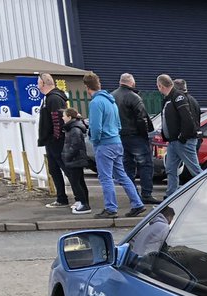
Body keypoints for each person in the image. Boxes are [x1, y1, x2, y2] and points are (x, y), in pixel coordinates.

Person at [85, 71, 144, 218]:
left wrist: (95, 140)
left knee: (105, 178)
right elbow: (118, 125)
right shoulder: (111, 101)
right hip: (116, 142)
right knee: (122, 175)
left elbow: (96, 127)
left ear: (87, 87)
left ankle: (111, 208)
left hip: (104, 144)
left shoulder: (96, 103)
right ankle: (137, 203)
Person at [113, 73, 159, 205]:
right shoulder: (134, 97)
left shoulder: (112, 96)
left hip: (120, 136)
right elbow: (142, 117)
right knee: (145, 164)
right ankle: (146, 194)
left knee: (127, 166)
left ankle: (133, 195)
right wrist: (145, 133)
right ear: (132, 83)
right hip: (135, 136)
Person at [157, 73, 202, 199]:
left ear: (160, 86)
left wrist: (182, 137)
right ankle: (171, 195)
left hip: (182, 141)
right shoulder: (170, 99)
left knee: (195, 170)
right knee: (171, 169)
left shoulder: (178, 98)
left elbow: (188, 120)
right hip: (174, 141)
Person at [35, 73, 70, 209]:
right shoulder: (48, 98)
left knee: (67, 169)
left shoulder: (53, 99)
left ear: (44, 83)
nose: (37, 86)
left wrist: (56, 138)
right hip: (51, 141)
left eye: (38, 83)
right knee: (54, 170)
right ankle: (61, 198)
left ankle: (80, 199)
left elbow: (57, 120)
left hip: (56, 141)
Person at [60, 108, 92, 215]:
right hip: (77, 159)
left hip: (75, 160)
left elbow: (75, 145)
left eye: (64, 116)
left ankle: (84, 204)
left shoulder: (74, 129)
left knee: (76, 183)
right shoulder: (73, 128)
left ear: (69, 117)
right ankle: (83, 202)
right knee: (79, 182)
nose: (62, 118)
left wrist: (66, 156)